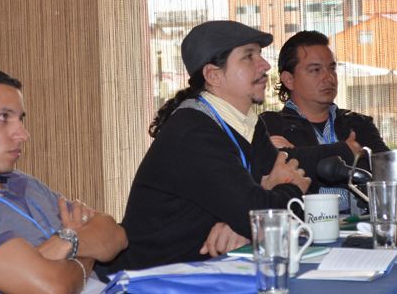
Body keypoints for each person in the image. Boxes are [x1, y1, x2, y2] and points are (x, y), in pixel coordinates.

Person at [110, 21, 311, 271]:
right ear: (213, 75)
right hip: (152, 278)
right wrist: (286, 192)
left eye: (259, 54)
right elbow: (267, 209)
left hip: (204, 271)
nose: (265, 65)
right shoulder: (193, 132)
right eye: (249, 56)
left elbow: (266, 213)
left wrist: (242, 225)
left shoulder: (248, 124)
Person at [0, 64, 128, 293]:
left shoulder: (23, 183)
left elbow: (116, 235)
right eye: (3, 117)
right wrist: (78, 242)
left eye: (20, 119)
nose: (23, 134)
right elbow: (53, 290)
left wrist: (64, 245)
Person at [260, 30, 389, 209]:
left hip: (362, 222)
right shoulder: (269, 124)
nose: (329, 78)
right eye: (315, 70)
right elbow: (271, 172)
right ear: (289, 79)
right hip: (304, 223)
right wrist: (346, 151)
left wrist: (298, 155)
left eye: (332, 68)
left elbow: (386, 172)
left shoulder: (358, 123)